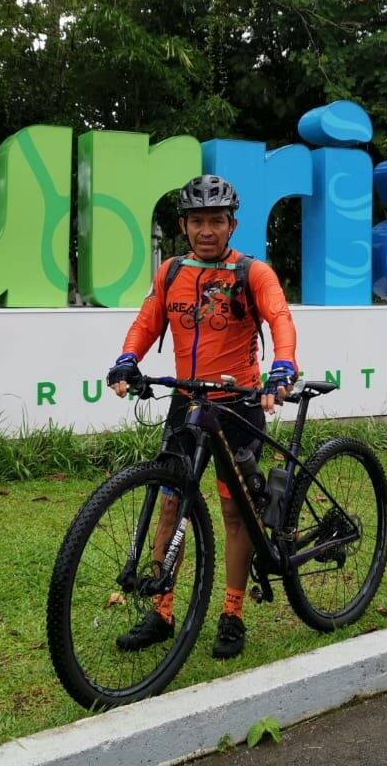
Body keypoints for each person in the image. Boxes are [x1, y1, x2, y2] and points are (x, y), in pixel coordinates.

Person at [106, 174, 298, 660]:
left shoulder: (252, 272)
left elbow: (280, 318)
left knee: (235, 510)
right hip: (187, 403)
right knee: (171, 502)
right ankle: (161, 610)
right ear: (183, 225)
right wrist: (129, 357)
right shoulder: (170, 272)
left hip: (238, 404)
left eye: (216, 220)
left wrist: (282, 366)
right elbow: (147, 321)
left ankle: (233, 612)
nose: (207, 229)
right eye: (198, 221)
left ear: (232, 225)